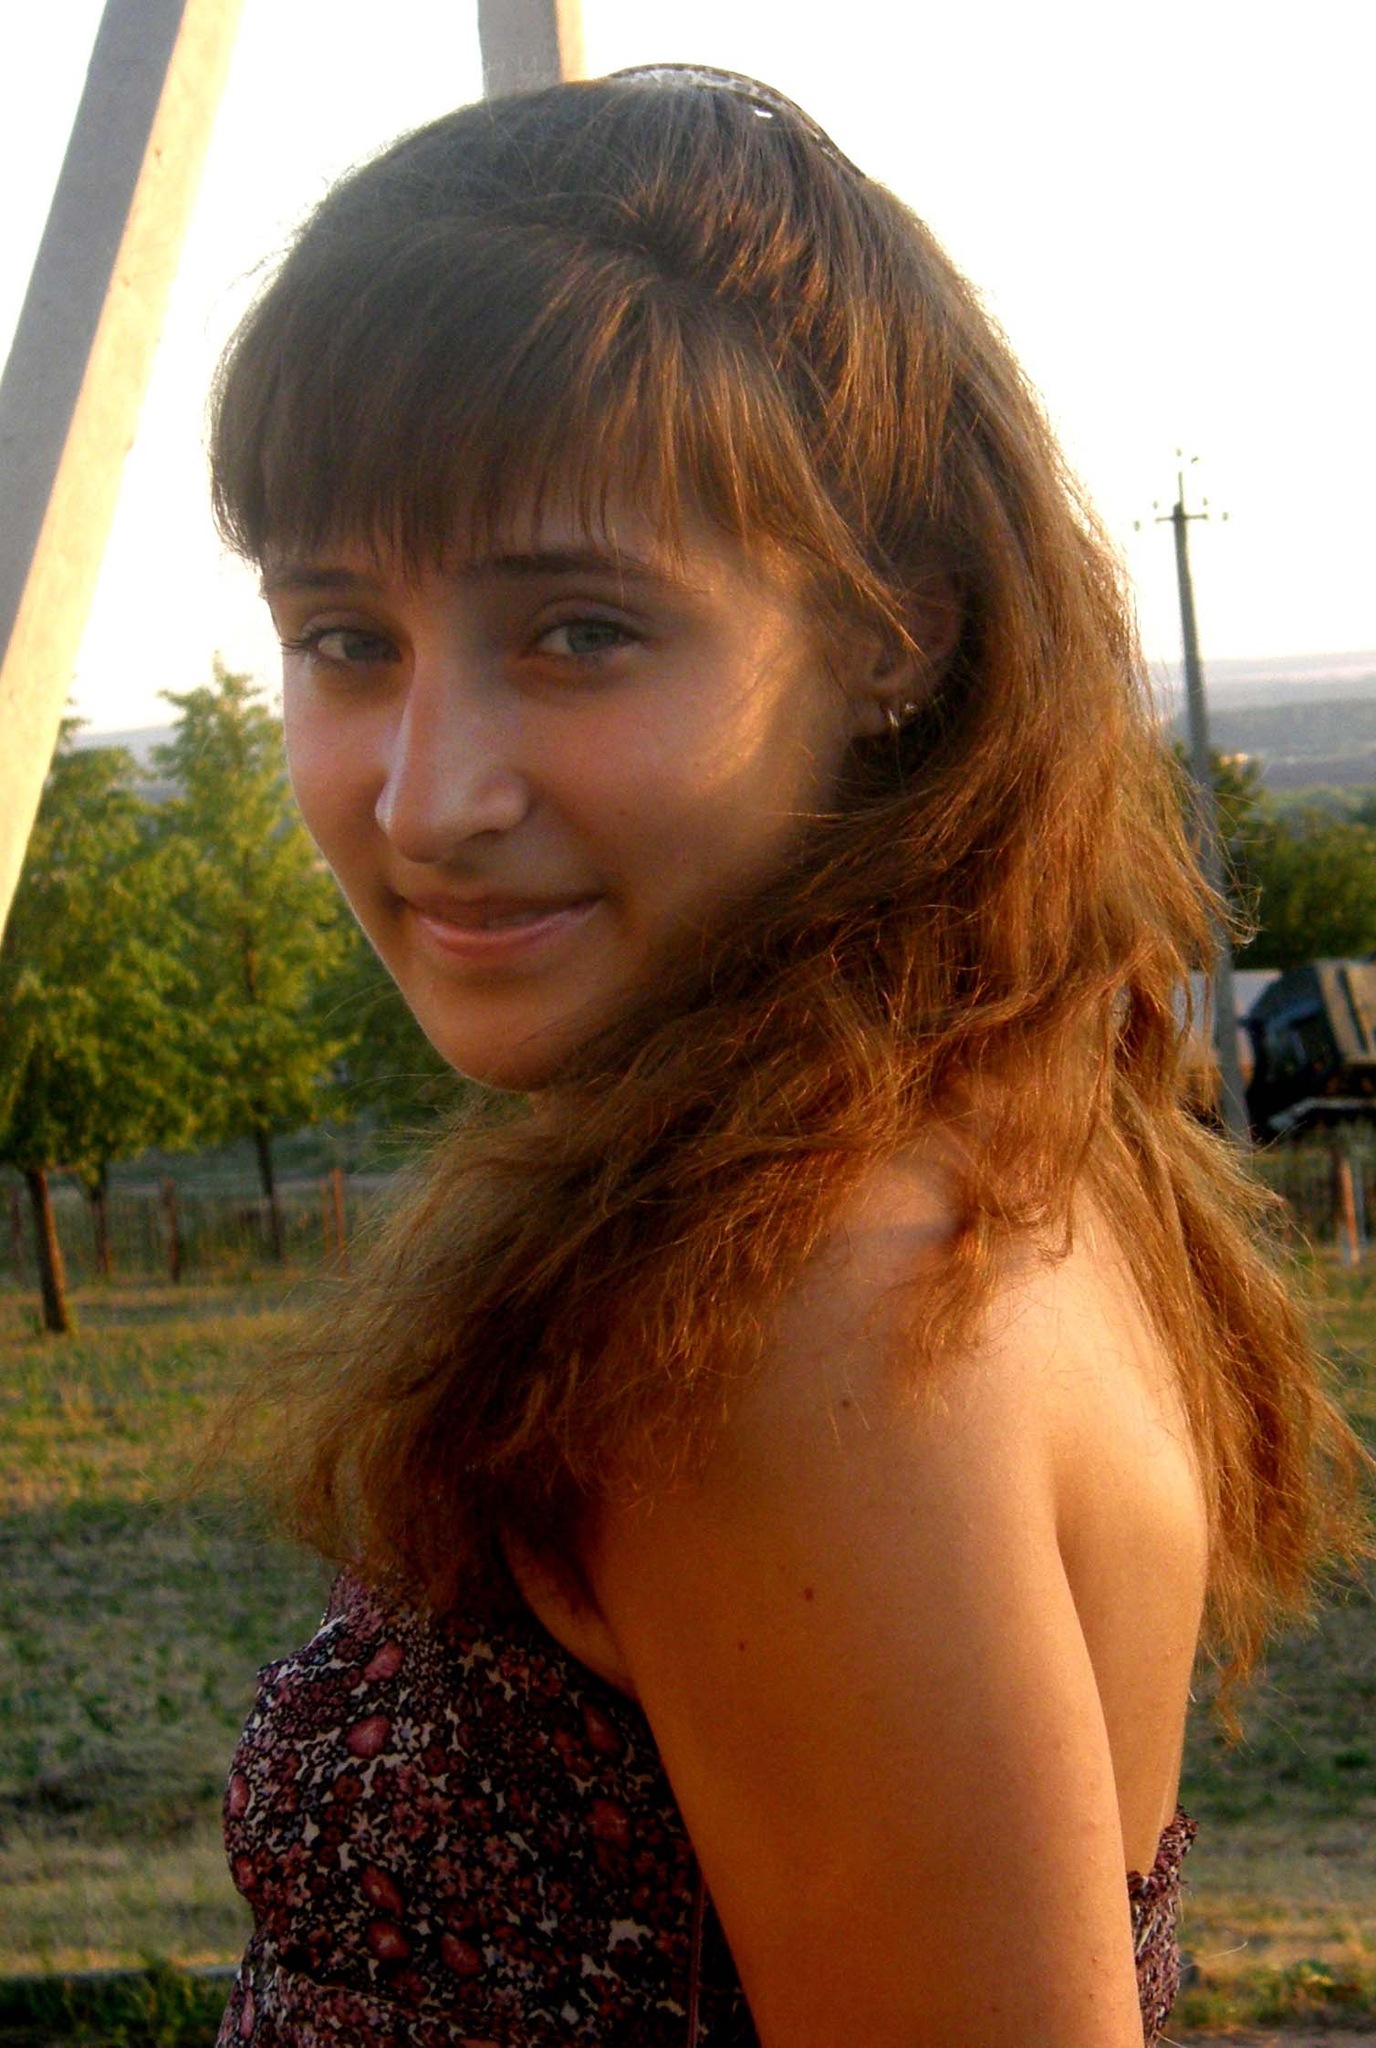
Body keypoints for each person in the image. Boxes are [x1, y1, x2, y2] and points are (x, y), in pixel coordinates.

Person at [207, 67, 1362, 2048]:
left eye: (577, 632)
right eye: (344, 639)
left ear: (893, 632)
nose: (426, 796)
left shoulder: (793, 1309)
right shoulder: (985, 1135)